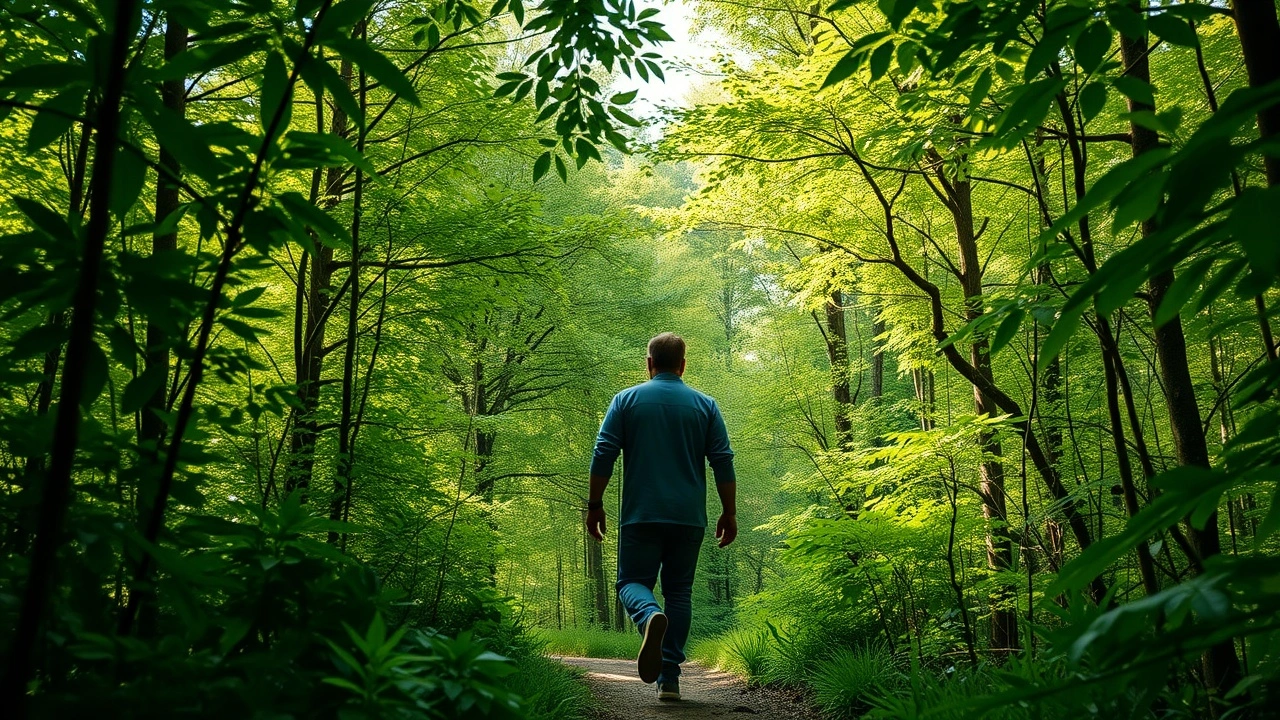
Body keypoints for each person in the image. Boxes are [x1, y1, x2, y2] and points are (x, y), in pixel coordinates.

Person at [585, 332, 737, 702]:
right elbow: (723, 461)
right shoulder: (706, 405)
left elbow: (604, 453)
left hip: (642, 515)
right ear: (683, 365)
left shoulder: (626, 400)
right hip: (688, 518)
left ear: (649, 363)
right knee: (679, 592)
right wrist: (729, 512)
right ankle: (669, 678)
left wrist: (594, 504)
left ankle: (649, 614)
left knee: (631, 583)